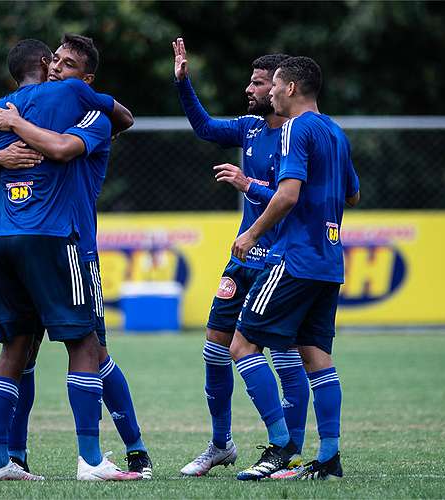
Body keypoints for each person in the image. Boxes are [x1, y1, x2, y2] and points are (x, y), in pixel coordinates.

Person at [0, 34, 153, 480]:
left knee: (39, 349)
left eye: (69, 63)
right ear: (43, 61)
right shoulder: (64, 99)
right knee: (81, 348)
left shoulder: (11, 111)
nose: (59, 67)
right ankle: (62, 458)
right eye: (55, 60)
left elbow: (114, 122)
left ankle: (133, 448)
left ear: (87, 78)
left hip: (23, 241)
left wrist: (13, 130)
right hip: (60, 242)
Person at [172, 38, 310, 477]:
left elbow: (295, 201)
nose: (250, 88)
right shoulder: (250, 127)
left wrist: (248, 184)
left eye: (258, 82)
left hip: (280, 260)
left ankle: (287, 445)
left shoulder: (297, 135)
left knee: (278, 353)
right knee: (215, 349)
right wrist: (183, 84)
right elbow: (206, 128)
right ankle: (221, 444)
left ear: (281, 87)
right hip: (243, 257)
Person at [227, 55, 360, 481]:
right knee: (316, 357)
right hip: (329, 261)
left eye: (275, 85)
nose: (269, 93)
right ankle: (328, 458)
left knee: (242, 346)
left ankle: (283, 447)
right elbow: (352, 195)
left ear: (290, 89)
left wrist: (250, 236)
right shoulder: (335, 132)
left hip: (294, 258)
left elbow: (286, 195)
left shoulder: (295, 128)